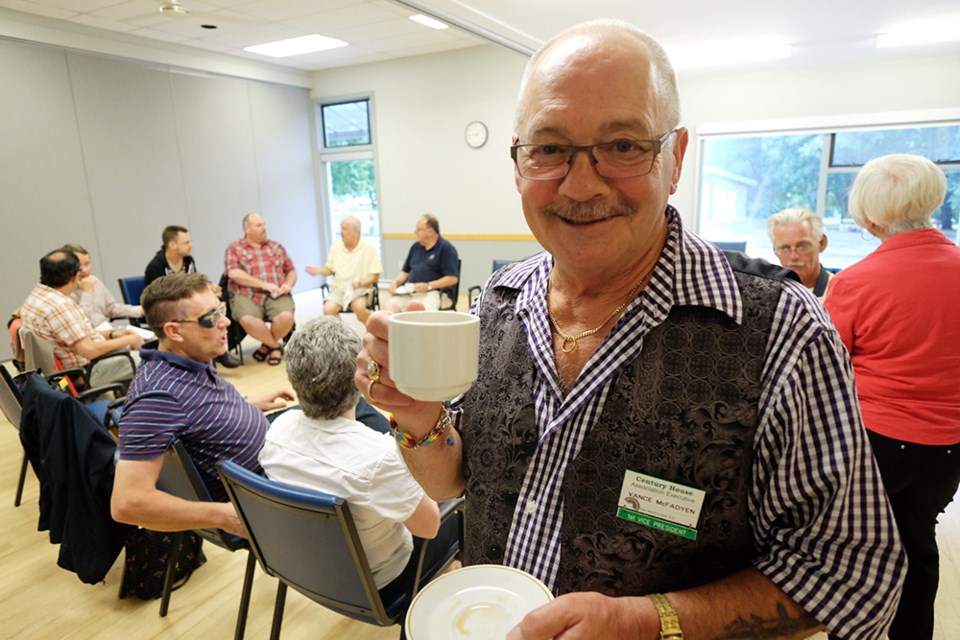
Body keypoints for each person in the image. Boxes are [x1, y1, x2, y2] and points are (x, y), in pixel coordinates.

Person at [356, 19, 905, 640]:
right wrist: (419, 420)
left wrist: (650, 621)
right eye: (550, 147)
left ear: (676, 157)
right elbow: (458, 479)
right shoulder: (497, 305)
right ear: (518, 162)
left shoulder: (781, 331)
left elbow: (851, 575)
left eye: (623, 145)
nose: (582, 183)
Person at [823, 154, 960, 640]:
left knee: (855, 549)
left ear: (868, 216)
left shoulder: (855, 282)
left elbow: (828, 371)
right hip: (948, 449)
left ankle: (850, 630)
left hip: (877, 441)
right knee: (917, 539)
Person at [259, 317, 441, 588]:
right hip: (377, 581)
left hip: (306, 570)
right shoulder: (380, 458)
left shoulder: (276, 431)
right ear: (361, 377)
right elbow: (430, 527)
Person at [110, 273, 294, 535]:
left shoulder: (189, 356)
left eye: (220, 310)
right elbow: (127, 504)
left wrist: (248, 406)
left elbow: (200, 413)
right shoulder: (157, 398)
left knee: (338, 410)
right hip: (264, 490)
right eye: (211, 317)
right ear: (174, 331)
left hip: (272, 458)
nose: (226, 322)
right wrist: (224, 515)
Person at [20, 249, 143, 386]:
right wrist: (130, 339)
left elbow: (72, 337)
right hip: (85, 372)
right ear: (75, 276)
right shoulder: (60, 306)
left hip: (65, 371)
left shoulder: (35, 297)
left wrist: (112, 334)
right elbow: (89, 351)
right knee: (153, 361)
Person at [146, 226, 240, 368]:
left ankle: (219, 350)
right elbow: (161, 297)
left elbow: (192, 284)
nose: (191, 246)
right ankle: (220, 354)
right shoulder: (155, 266)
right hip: (170, 312)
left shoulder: (188, 261)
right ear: (172, 245)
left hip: (187, 307)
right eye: (186, 242)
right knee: (206, 316)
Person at [224, 212, 297, 366]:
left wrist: (288, 284)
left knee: (286, 317)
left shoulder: (276, 247)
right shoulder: (234, 248)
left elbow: (291, 271)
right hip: (246, 294)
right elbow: (233, 273)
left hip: (277, 294)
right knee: (248, 319)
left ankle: (267, 345)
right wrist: (262, 284)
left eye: (264, 224)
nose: (263, 228)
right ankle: (276, 346)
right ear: (247, 228)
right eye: (259, 225)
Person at [305, 216, 383, 325]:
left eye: (345, 229)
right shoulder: (336, 246)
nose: (341, 232)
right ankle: (341, 335)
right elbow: (329, 269)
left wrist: (359, 283)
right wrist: (318, 271)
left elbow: (375, 276)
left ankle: (374, 328)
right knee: (328, 309)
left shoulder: (368, 247)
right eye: (341, 228)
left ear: (356, 232)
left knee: (359, 308)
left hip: (360, 290)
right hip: (339, 289)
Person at [385, 214, 459, 312]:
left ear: (430, 231)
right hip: (410, 291)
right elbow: (405, 272)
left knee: (417, 309)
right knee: (388, 308)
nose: (415, 232)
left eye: (419, 229)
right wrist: (395, 283)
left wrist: (428, 286)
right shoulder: (415, 247)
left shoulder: (446, 248)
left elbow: (452, 279)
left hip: (433, 292)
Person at [63, 243, 144, 327]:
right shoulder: (64, 290)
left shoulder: (94, 280)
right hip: (89, 335)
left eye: (87, 264)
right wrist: (87, 292)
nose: (85, 270)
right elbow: (82, 323)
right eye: (79, 266)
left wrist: (141, 310)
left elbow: (111, 308)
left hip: (106, 330)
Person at [767, 208, 833, 298]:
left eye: (802, 246)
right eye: (785, 248)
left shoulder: (840, 290)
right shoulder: (766, 293)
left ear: (821, 243)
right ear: (775, 249)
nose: (793, 257)